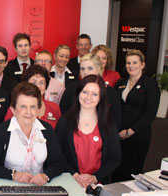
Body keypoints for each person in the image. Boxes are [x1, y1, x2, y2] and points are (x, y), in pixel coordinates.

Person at [0, 82, 65, 185]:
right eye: (23, 107)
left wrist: (46, 175)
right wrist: (13, 175)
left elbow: (59, 163)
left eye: (33, 107)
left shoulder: (47, 130)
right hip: (10, 187)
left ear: (38, 110)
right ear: (13, 110)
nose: (28, 112)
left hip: (40, 188)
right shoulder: (2, 131)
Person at [55, 75, 121, 187]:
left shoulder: (108, 124)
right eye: (85, 92)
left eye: (94, 94)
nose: (88, 97)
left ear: (101, 98)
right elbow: (57, 153)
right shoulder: (65, 121)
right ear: (78, 93)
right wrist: (74, 175)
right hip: (69, 181)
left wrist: (95, 177)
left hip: (98, 184)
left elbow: (114, 158)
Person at [113, 50, 160, 182]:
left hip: (138, 134)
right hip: (119, 135)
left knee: (131, 171)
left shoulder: (150, 84)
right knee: (116, 169)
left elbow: (150, 113)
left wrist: (130, 131)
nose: (131, 66)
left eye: (134, 62)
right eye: (128, 63)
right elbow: (115, 107)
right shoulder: (121, 82)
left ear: (142, 65)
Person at [60, 53, 122, 129]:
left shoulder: (110, 92)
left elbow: (116, 119)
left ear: (99, 69)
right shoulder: (71, 89)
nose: (85, 72)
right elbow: (63, 112)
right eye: (82, 69)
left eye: (90, 68)